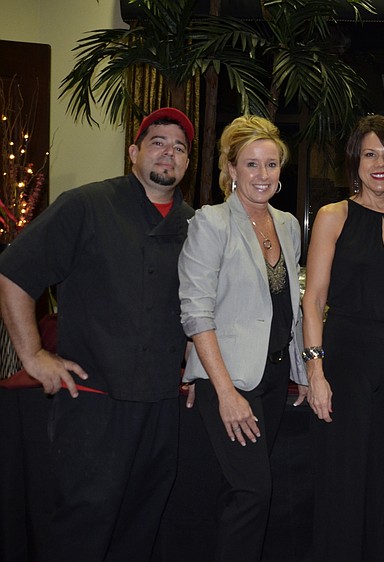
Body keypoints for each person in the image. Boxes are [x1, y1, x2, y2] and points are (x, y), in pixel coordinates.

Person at [0, 107, 195, 560]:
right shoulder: (86, 205)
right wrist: (32, 355)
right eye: (158, 143)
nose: (168, 153)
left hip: (161, 409)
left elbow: (198, 310)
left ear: (188, 162)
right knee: (79, 536)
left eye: (179, 147)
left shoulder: (194, 223)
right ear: (134, 152)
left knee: (139, 533)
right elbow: (13, 272)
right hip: (93, 405)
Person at [302, 114, 384, 561]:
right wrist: (315, 370)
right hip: (345, 356)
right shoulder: (332, 216)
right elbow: (314, 299)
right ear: (356, 161)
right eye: (371, 154)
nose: (381, 164)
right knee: (343, 478)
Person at [178, 115, 307, 561]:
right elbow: (196, 312)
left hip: (272, 379)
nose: (263, 175)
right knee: (253, 493)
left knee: (238, 492)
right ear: (231, 169)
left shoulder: (287, 225)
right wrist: (224, 391)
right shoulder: (211, 222)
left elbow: (289, 306)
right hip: (230, 382)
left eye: (271, 164)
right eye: (251, 164)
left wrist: (301, 369)